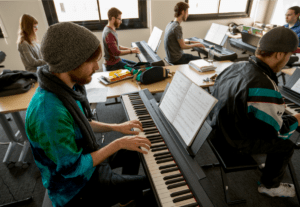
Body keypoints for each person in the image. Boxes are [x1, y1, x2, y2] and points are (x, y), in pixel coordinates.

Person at [25, 22, 152, 207]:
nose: (97, 66)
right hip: (75, 188)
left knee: (135, 149)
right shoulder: (50, 113)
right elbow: (73, 169)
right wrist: (119, 142)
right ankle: (123, 193)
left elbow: (80, 122)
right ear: (71, 63)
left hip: (85, 158)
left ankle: (123, 196)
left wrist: (117, 128)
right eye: (90, 60)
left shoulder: (64, 88)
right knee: (151, 184)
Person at [207, 27, 300, 198]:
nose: (288, 60)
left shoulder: (235, 66)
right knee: (286, 145)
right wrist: (297, 119)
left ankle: (268, 165)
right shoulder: (263, 85)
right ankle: (270, 186)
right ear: (279, 54)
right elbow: (279, 132)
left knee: (274, 121)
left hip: (217, 130)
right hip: (233, 143)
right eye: (288, 55)